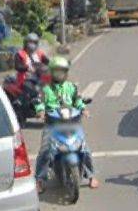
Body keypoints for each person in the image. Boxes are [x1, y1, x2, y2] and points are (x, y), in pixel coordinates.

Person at [34, 57, 99, 193]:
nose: (59, 74)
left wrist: (84, 109)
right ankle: (39, 179)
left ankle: (91, 175)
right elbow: (39, 101)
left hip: (72, 123)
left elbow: (78, 101)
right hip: (52, 124)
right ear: (51, 72)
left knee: (84, 148)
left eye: (62, 72)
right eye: (57, 72)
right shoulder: (45, 89)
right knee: (45, 151)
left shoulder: (71, 87)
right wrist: (40, 111)